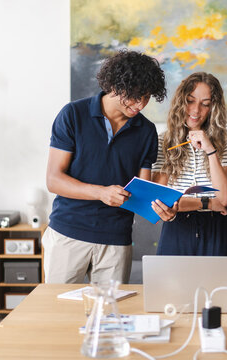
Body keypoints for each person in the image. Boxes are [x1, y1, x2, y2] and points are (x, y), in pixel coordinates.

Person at [43, 50, 171, 284]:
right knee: (58, 314)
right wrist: (101, 193)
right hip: (67, 234)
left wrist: (163, 203)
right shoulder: (73, 115)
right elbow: (54, 180)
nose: (140, 104)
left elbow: (141, 192)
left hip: (116, 240)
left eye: (147, 97)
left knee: (111, 317)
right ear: (115, 85)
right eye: (135, 95)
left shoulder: (146, 131)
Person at [151, 72, 227, 256]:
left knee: (217, 285)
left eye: (205, 104)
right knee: (170, 285)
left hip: (217, 230)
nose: (196, 110)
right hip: (176, 227)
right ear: (180, 101)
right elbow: (161, 201)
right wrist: (208, 203)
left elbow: (225, 199)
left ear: (213, 107)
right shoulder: (163, 141)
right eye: (190, 101)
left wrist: (210, 150)